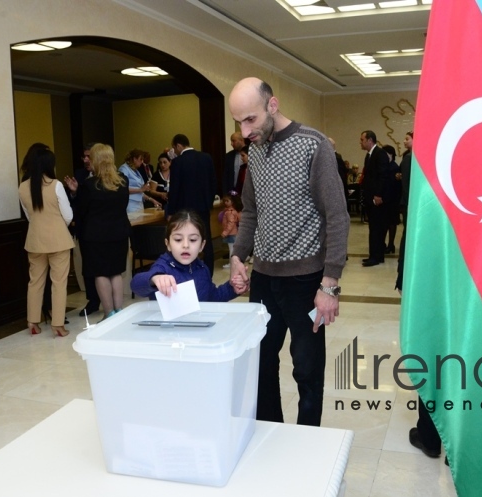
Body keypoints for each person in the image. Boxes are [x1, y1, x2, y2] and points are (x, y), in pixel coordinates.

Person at [228, 77, 349, 426]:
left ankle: (306, 441)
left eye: (250, 119)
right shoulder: (256, 150)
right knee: (262, 365)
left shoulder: (313, 146)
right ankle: (271, 436)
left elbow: (337, 216)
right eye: (238, 121)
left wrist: (330, 285)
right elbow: (251, 210)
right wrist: (238, 255)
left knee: (307, 370)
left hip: (306, 283)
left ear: (272, 105)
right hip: (264, 280)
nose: (244, 130)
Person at [18, 147, 74, 337]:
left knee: (35, 282)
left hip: (34, 240)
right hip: (58, 240)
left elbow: (29, 216)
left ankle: (32, 322)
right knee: (58, 283)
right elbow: (68, 215)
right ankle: (58, 325)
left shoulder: (22, 187)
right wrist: (58, 225)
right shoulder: (55, 185)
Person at [131, 210, 247, 301]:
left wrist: (232, 288)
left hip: (197, 328)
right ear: (168, 244)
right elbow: (136, 284)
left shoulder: (202, 268)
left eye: (192, 240)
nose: (185, 245)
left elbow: (212, 297)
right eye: (178, 239)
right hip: (169, 330)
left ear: (202, 245)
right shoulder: (162, 267)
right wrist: (154, 279)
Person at [77, 143, 131, 320]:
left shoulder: (89, 185)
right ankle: (119, 310)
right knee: (116, 272)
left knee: (101, 273)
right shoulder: (123, 181)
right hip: (119, 233)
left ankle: (108, 313)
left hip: (96, 236)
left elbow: (82, 211)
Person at [166, 134, 217, 276]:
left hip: (185, 210)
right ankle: (208, 273)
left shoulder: (178, 162)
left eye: (174, 148)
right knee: (205, 240)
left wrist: (171, 211)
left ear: (178, 146)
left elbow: (174, 189)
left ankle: (188, 273)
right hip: (203, 208)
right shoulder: (206, 158)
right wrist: (209, 202)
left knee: (186, 240)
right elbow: (213, 183)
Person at [63, 143, 101, 317]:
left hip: (103, 228)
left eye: (89, 156)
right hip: (85, 228)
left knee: (105, 267)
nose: (86, 160)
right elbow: (74, 203)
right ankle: (93, 300)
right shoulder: (79, 175)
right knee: (88, 266)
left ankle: (109, 298)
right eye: (84, 157)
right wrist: (73, 193)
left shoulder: (106, 176)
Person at [360, 130, 390, 267]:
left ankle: (377, 257)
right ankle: (373, 255)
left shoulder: (380, 154)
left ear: (370, 140)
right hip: (370, 198)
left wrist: (378, 194)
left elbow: (383, 176)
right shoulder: (369, 155)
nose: (361, 142)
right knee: (373, 228)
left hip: (377, 199)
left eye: (362, 140)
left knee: (377, 228)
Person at [396, 131, 413, 292]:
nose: (405, 141)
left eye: (407, 138)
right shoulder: (408, 158)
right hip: (409, 205)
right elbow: (407, 186)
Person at [118, 149, 160, 213]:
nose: (142, 162)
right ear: (134, 159)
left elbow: (140, 191)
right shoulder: (124, 169)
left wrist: (151, 200)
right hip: (129, 203)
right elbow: (122, 188)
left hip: (139, 203)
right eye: (140, 159)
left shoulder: (136, 170)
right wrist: (141, 189)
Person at [381, 144, 401, 254]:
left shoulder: (393, 167)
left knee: (391, 223)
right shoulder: (388, 166)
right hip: (387, 199)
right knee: (386, 223)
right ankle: (386, 244)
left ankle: (391, 244)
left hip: (392, 200)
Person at [220, 192, 242, 269]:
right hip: (234, 233)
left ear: (232, 202)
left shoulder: (230, 212)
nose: (225, 203)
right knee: (234, 249)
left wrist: (225, 232)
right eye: (224, 201)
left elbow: (231, 223)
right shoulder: (235, 210)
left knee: (231, 250)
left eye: (227, 201)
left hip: (231, 233)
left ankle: (231, 263)